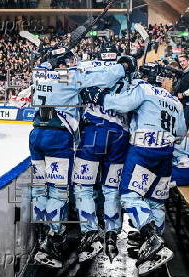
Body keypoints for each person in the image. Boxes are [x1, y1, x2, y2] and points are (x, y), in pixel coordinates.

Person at [30, 46, 134, 268]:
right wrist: (124, 66)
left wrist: (55, 57)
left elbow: (50, 66)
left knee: (42, 187)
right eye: (67, 61)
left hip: (37, 134)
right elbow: (109, 75)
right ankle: (104, 234)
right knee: (95, 189)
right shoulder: (73, 75)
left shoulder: (38, 71)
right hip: (65, 136)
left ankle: (48, 234)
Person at [100, 62, 187, 275]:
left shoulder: (144, 89)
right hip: (166, 153)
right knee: (156, 201)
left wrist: (102, 97)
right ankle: (154, 248)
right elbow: (181, 131)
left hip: (144, 150)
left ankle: (151, 238)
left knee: (129, 196)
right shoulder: (175, 100)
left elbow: (121, 105)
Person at [72, 52, 134, 263]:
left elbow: (75, 88)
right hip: (120, 136)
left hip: (94, 132)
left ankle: (90, 233)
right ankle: (111, 234)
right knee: (111, 188)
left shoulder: (94, 71)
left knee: (83, 186)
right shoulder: (132, 83)